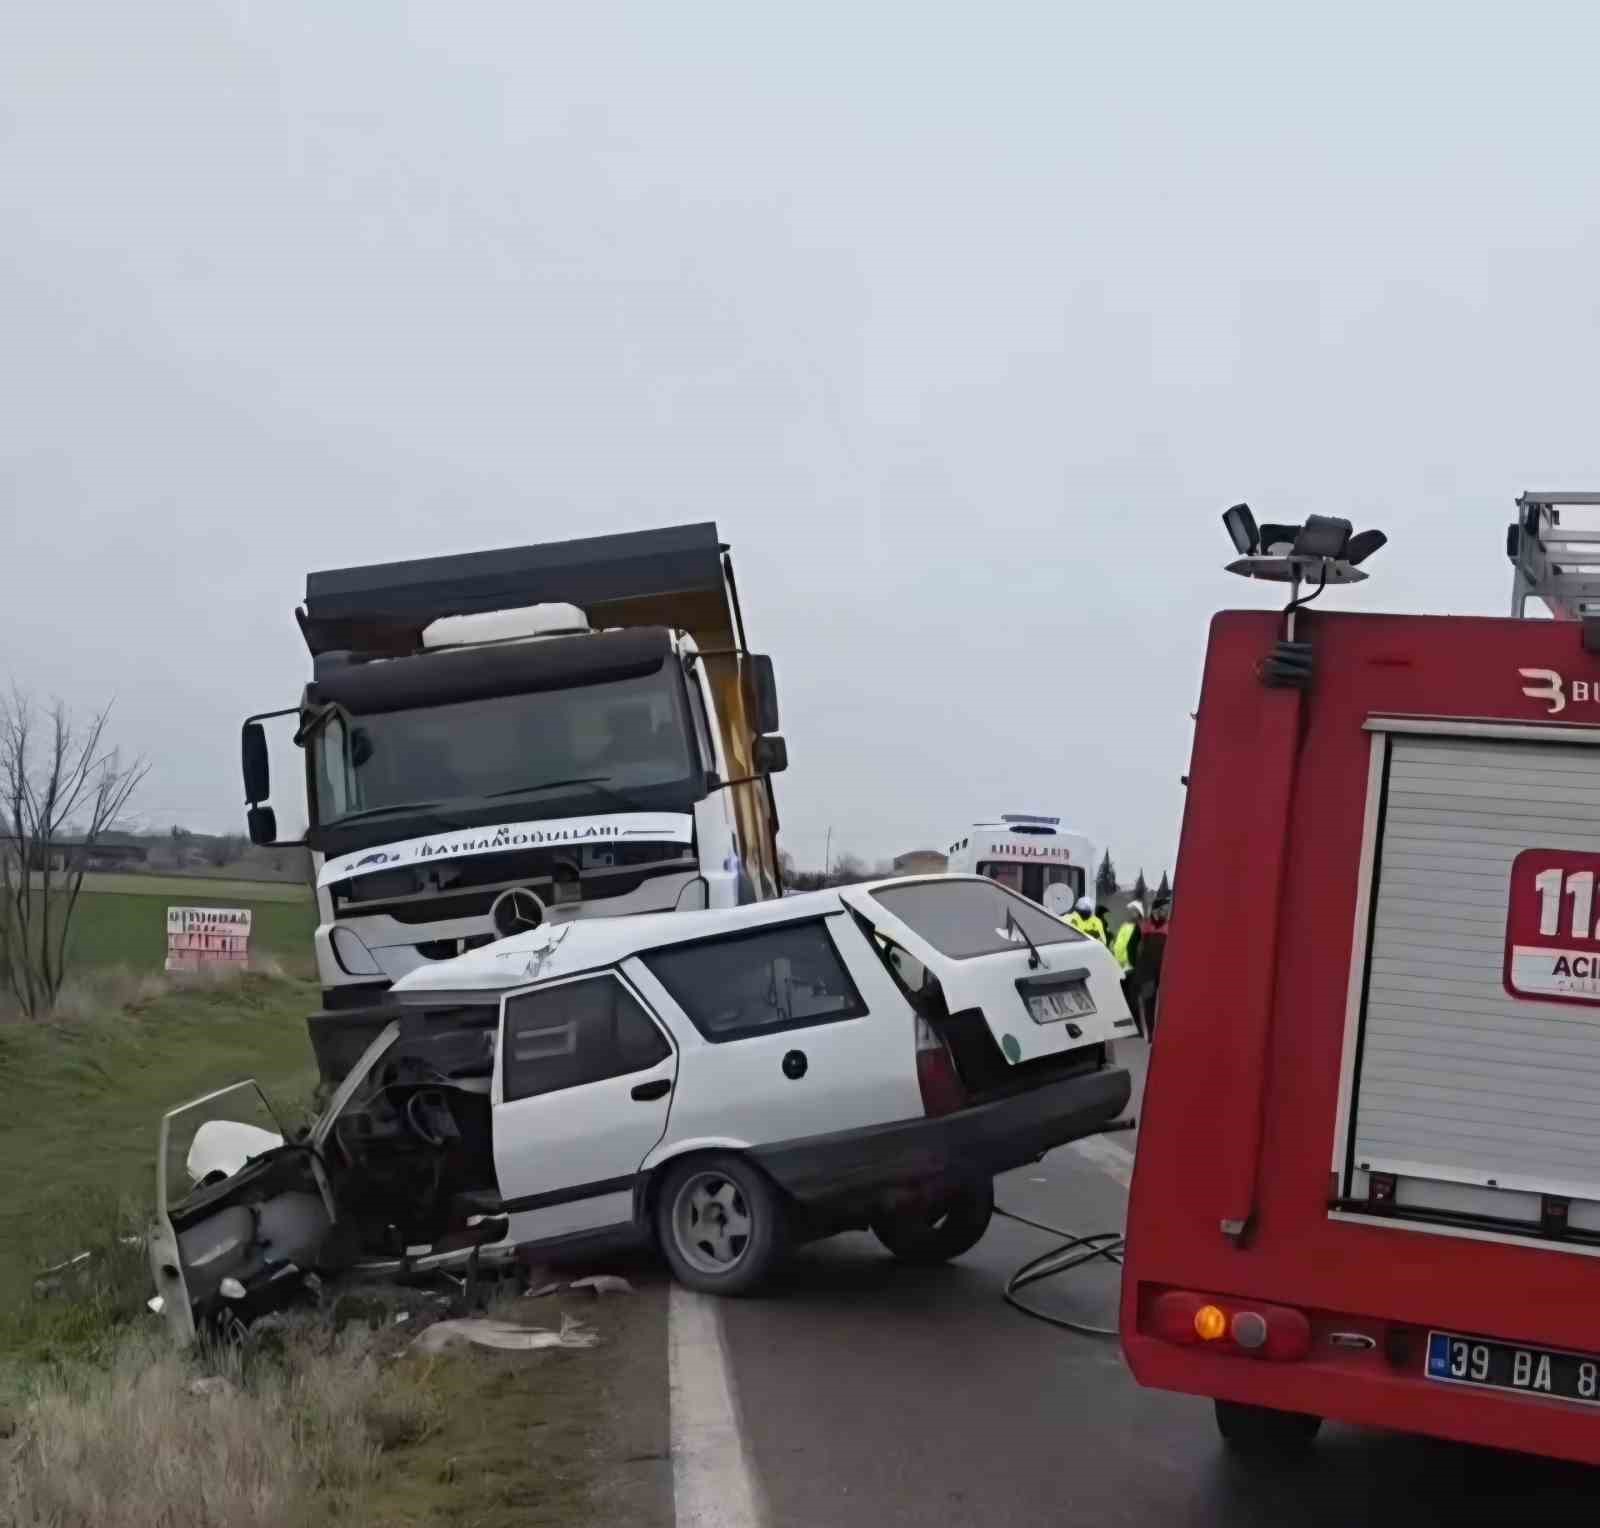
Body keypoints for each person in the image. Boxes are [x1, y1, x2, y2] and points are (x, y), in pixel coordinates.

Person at [1133, 898, 1171, 1040]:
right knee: (1149, 1002)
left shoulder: (1170, 926)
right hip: (1147, 971)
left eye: (1167, 909)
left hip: (1164, 971)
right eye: (1164, 909)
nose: (1167, 912)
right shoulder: (1145, 926)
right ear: (1156, 910)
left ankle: (1164, 1034)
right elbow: (1138, 948)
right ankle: (1150, 1035)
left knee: (1165, 1003)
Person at [1112, 900, 1144, 1033]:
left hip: (1134, 968)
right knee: (1125, 999)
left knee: (1133, 999)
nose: (1131, 913)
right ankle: (1130, 1028)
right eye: (1130, 911)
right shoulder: (1126, 926)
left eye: (1133, 911)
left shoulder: (1141, 927)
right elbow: (1118, 947)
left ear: (1138, 913)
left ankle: (1138, 1029)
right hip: (1124, 968)